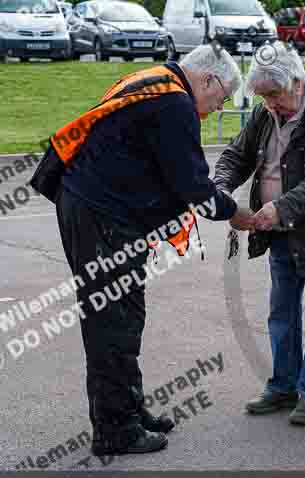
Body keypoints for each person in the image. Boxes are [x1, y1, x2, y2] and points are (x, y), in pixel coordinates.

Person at [45, 45, 250, 455]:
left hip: (97, 208)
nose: (215, 108)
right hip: (101, 214)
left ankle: (129, 408)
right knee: (112, 322)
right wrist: (234, 212)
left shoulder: (157, 80)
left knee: (127, 314)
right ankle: (114, 430)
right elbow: (192, 186)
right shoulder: (174, 103)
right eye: (222, 97)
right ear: (208, 80)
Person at [213, 42, 305, 426]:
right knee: (282, 313)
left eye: (274, 95)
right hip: (280, 234)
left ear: (297, 83)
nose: (269, 105)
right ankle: (283, 386)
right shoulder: (266, 114)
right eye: (262, 97)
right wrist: (222, 189)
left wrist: (281, 206)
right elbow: (236, 154)